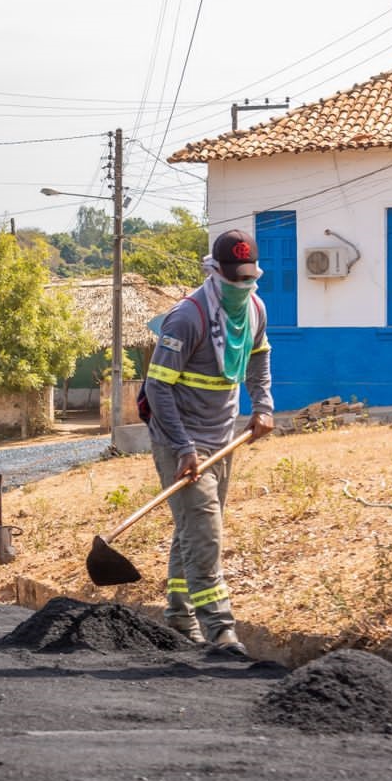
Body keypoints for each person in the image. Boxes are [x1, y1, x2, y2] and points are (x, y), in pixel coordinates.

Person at [141, 229, 274, 658]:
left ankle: (180, 616)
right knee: (207, 536)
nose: (242, 285)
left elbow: (258, 358)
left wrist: (264, 407)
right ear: (214, 271)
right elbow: (157, 388)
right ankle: (221, 631)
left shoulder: (254, 310)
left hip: (222, 438)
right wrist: (182, 448)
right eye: (234, 278)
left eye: (248, 277)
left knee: (192, 531)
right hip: (179, 440)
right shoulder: (188, 317)